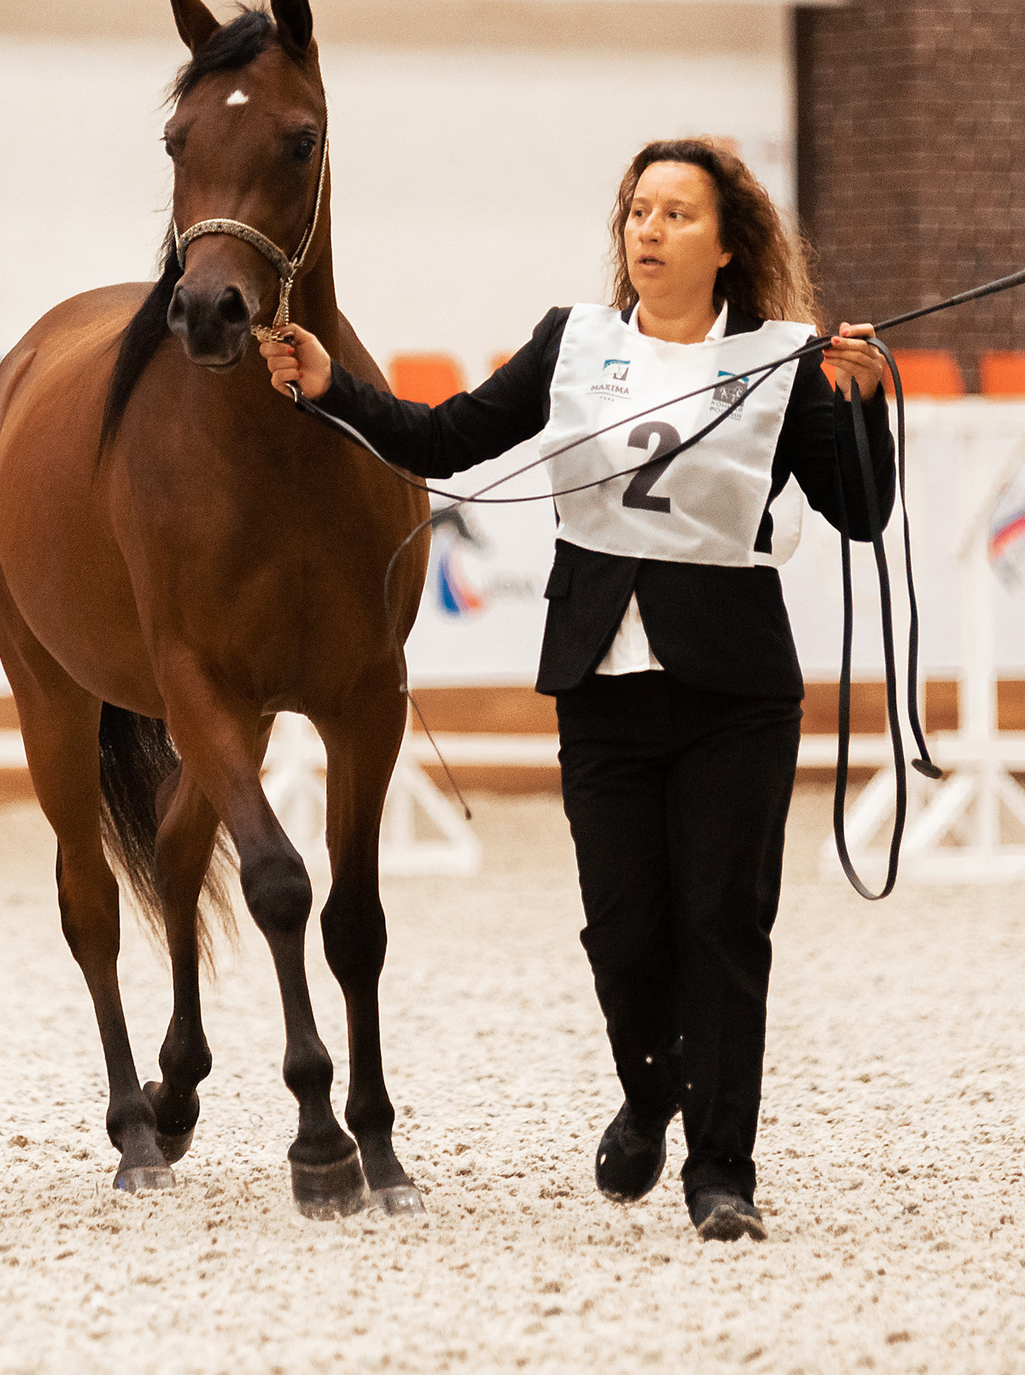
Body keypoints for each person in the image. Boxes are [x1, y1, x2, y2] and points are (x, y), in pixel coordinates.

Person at [262, 137, 894, 1241]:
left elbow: (861, 509)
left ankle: (720, 1173)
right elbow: (445, 437)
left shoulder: (785, 363)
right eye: (637, 211)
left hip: (736, 688)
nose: (647, 231)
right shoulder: (572, 344)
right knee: (623, 931)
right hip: (600, 678)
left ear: (728, 243)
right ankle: (650, 1092)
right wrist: (331, 390)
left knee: (723, 924)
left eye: (675, 215)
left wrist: (862, 404)